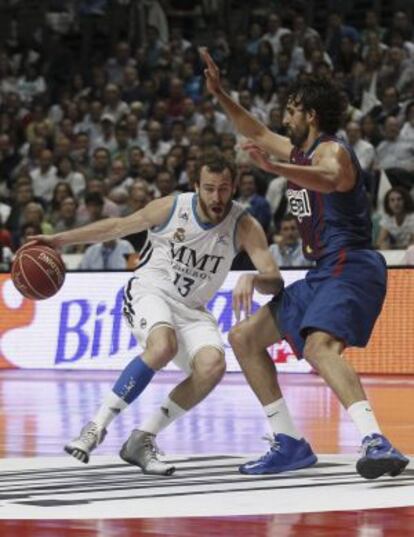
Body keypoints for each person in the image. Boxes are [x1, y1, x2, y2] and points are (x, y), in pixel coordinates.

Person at [200, 48, 409, 479]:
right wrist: (220, 94)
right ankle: (289, 442)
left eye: (291, 112)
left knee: (319, 347)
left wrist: (274, 167)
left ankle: (375, 439)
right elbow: (252, 127)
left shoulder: (333, 152)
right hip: (321, 271)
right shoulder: (297, 150)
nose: (284, 120)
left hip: (351, 265)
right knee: (243, 337)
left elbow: (330, 179)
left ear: (310, 115)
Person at [30, 155, 283, 475]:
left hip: (192, 309)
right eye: (208, 189)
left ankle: (142, 439)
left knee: (213, 366)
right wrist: (59, 239)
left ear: (234, 188)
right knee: (161, 345)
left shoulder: (244, 224)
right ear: (196, 187)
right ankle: (95, 427)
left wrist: (253, 278)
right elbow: (116, 227)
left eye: (223, 189)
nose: (216, 197)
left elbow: (275, 279)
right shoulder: (172, 207)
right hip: (151, 291)